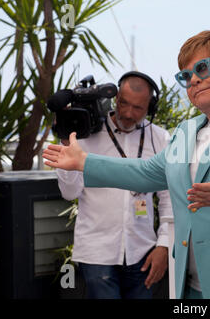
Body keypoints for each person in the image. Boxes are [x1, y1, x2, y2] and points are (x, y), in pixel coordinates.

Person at [44, 30, 210, 299]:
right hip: (190, 285)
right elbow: (146, 172)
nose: (193, 80)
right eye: (185, 76)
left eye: (202, 68)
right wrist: (83, 162)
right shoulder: (186, 130)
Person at [55, 72, 173, 299]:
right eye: (124, 103)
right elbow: (69, 193)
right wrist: (65, 145)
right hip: (97, 254)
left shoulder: (160, 139)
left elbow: (169, 198)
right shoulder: (84, 134)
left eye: (138, 108)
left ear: (150, 107)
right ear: (115, 98)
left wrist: (164, 246)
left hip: (143, 252)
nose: (128, 113)